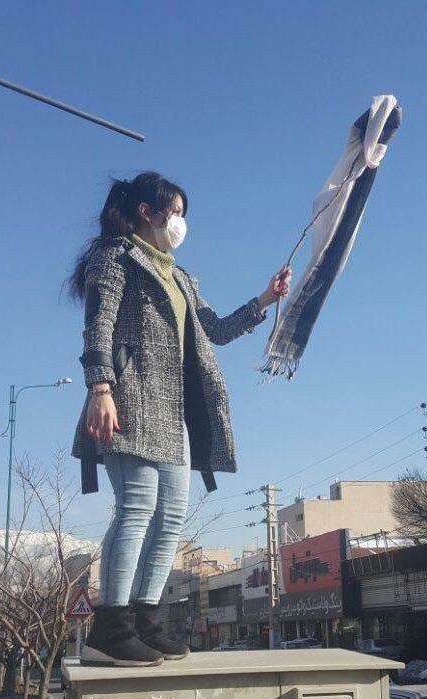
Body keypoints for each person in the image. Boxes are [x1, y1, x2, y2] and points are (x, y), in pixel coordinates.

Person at [69, 172, 291, 667]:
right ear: (147, 211)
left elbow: (214, 329)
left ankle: (146, 623)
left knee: (170, 518)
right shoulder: (115, 256)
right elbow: (97, 324)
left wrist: (264, 300)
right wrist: (100, 387)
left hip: (174, 412)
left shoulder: (181, 276)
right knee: (136, 508)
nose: (181, 222)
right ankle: (110, 627)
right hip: (128, 397)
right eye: (176, 210)